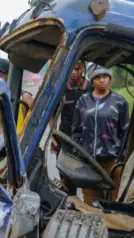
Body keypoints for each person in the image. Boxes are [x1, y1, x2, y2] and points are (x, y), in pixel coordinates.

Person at [71, 65, 130, 205]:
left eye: (105, 76)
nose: (102, 80)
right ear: (91, 80)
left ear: (110, 79)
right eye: (98, 77)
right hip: (88, 161)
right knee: (91, 203)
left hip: (111, 161)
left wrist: (120, 155)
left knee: (111, 202)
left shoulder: (120, 101)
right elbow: (76, 129)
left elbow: (125, 131)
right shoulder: (83, 100)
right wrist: (78, 152)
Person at [50, 61, 91, 195]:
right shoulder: (61, 88)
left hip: (85, 140)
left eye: (77, 69)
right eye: (71, 69)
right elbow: (52, 114)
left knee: (86, 178)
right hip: (64, 138)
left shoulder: (90, 88)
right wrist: (53, 136)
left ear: (83, 69)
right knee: (66, 178)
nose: (74, 72)